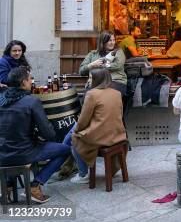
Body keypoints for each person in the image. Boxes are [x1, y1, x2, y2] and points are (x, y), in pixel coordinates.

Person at [0, 67, 71, 203]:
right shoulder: (32, 101)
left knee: (13, 148)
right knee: (65, 150)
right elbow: (48, 132)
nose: (31, 81)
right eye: (29, 79)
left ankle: (8, 186)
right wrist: (52, 138)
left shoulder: (1, 99)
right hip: (25, 152)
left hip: (2, 153)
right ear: (23, 82)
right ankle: (36, 185)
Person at [63, 68, 127, 184]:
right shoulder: (117, 93)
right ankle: (64, 161)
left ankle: (83, 174)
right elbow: (118, 114)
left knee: (74, 137)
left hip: (101, 136)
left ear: (98, 79)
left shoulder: (92, 94)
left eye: (91, 78)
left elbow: (83, 120)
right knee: (72, 133)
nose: (89, 80)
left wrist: (77, 131)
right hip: (117, 133)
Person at [79, 31, 127, 95]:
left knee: (104, 93)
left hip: (115, 81)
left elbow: (118, 65)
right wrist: (91, 65)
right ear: (103, 41)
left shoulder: (118, 52)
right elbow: (81, 71)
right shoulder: (92, 54)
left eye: (113, 40)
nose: (112, 43)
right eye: (110, 40)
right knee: (89, 94)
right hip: (96, 83)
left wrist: (101, 65)